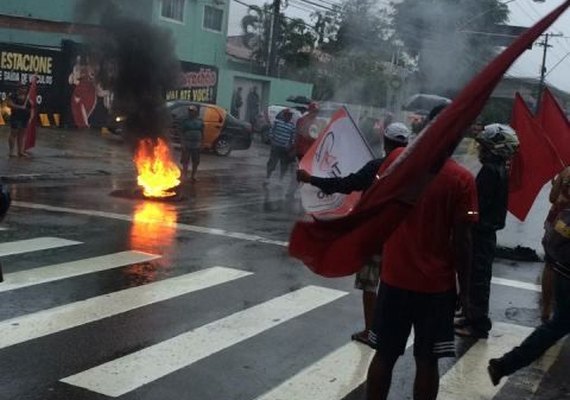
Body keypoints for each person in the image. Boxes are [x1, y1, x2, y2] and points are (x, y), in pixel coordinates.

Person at [366, 106, 478, 400]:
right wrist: (464, 291)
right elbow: (463, 241)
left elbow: (375, 210)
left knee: (385, 355)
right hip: (436, 288)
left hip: (394, 280)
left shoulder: (396, 166)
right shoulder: (461, 179)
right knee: (427, 361)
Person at [297, 122, 411, 345]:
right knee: (397, 285)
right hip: (404, 237)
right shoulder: (416, 170)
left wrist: (311, 179)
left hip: (376, 236)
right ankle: (392, 328)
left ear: (386, 142)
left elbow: (347, 184)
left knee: (370, 284)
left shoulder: (376, 167)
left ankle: (371, 330)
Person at [488, 200, 570, 386]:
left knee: (555, 327)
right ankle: (505, 364)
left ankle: (505, 364)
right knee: (556, 326)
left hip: (562, 271)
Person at [455, 124, 520, 339]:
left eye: (484, 147)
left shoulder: (491, 171)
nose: (480, 151)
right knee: (474, 276)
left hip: (481, 233)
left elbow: (478, 203)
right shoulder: (496, 168)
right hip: (484, 231)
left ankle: (479, 325)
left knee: (478, 278)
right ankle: (471, 316)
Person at [540, 167, 570, 322]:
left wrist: (557, 186)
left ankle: (546, 308)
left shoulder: (566, 172)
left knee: (550, 264)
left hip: (557, 223)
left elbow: (552, 198)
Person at [265, 108, 296, 186]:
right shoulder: (277, 123)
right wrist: (272, 140)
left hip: (285, 149)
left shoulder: (292, 126)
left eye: (290, 115)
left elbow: (292, 137)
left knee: (284, 165)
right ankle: (267, 178)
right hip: (276, 147)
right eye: (288, 115)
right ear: (284, 115)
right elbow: (271, 132)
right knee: (272, 162)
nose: (289, 117)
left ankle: (280, 180)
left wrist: (290, 145)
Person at [179, 105, 204, 182]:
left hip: (197, 144)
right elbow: (181, 133)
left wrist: (202, 143)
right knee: (185, 160)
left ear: (195, 112)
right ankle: (185, 175)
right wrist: (182, 143)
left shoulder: (200, 121)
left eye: (192, 111)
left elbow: (202, 132)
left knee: (196, 161)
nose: (191, 113)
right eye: (190, 111)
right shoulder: (185, 121)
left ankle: (193, 175)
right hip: (187, 143)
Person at [7, 84, 31, 158]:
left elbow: (30, 107)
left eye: (25, 88)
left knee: (21, 135)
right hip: (15, 117)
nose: (24, 90)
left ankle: (20, 151)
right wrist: (20, 107)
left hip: (25, 117)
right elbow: (9, 104)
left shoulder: (28, 97)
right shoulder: (13, 95)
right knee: (13, 133)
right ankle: (11, 151)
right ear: (19, 89)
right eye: (22, 88)